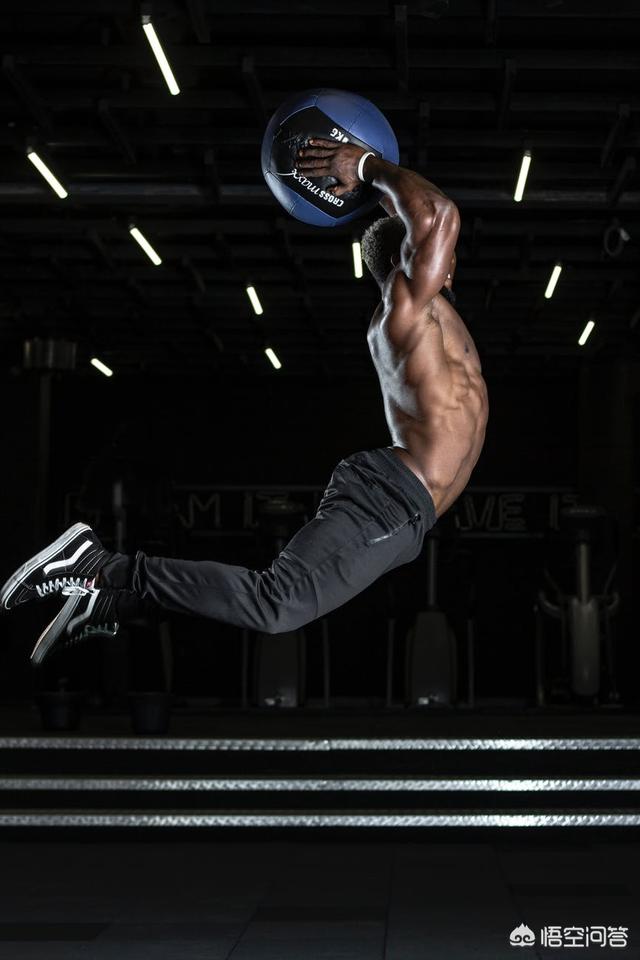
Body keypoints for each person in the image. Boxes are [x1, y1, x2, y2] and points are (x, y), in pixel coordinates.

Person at [0, 140, 488, 665]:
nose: (450, 259)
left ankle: (110, 600)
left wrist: (369, 189)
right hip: (390, 497)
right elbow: (437, 213)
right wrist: (365, 165)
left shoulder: (436, 313)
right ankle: (97, 565)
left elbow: (417, 214)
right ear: (403, 260)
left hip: (411, 515)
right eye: (440, 254)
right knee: (276, 605)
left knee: (280, 604)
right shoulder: (406, 310)